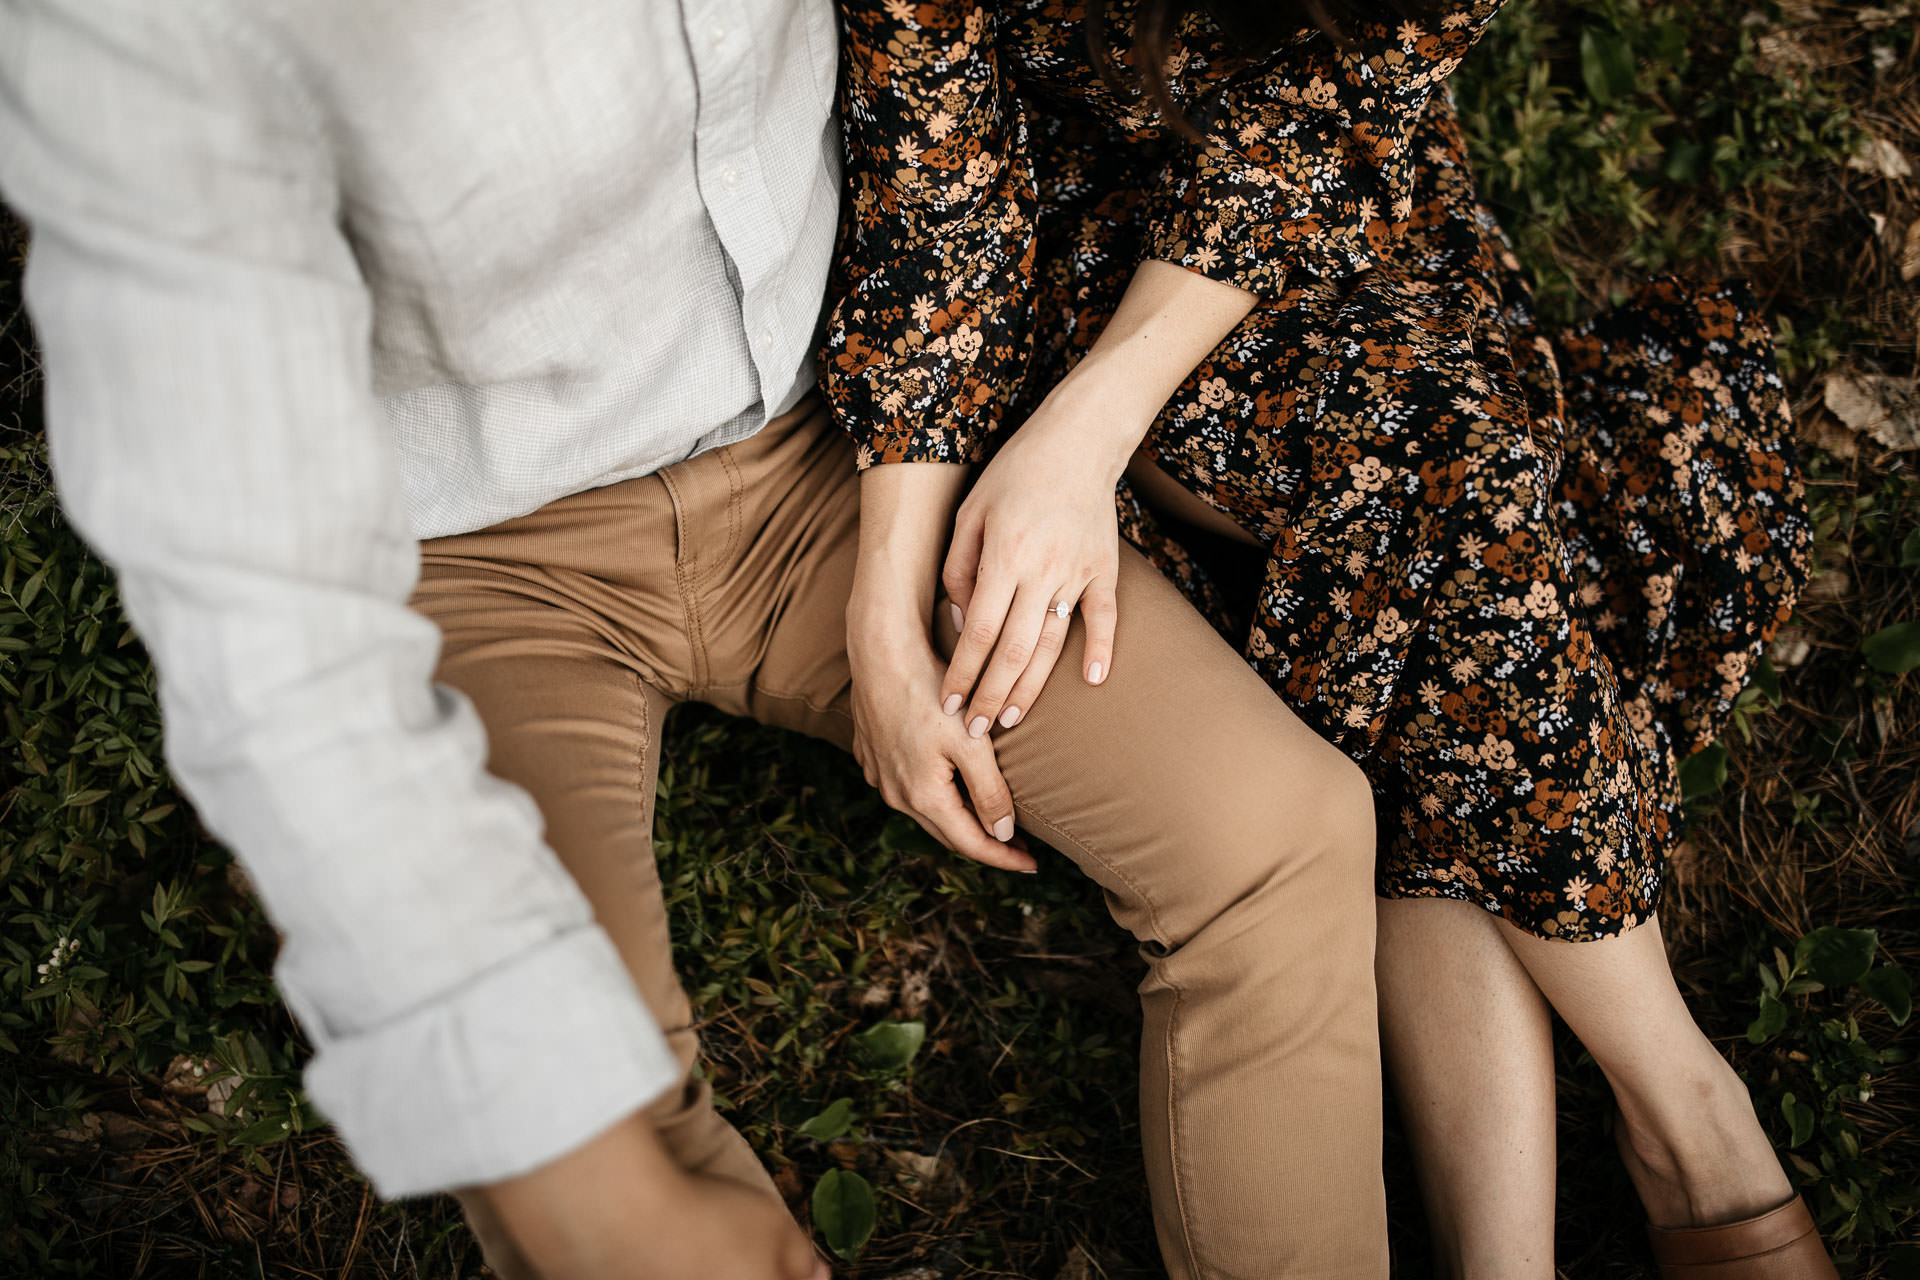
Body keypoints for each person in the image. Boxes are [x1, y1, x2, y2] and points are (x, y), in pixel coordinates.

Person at [0, 2, 1392, 1277]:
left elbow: (931, 92)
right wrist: (593, 1189)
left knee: (1277, 833)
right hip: (460, 558)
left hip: (836, 447)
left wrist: (908, 521)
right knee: (606, 1132)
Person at [821, 0, 1831, 1276]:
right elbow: (934, 168)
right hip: (1061, 231)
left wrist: (1098, 429)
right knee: (1441, 497)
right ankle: (1694, 1129)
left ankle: (1603, 1187)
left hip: (1339, 192)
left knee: (1424, 569)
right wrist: (902, 585)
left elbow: (1327, 116)